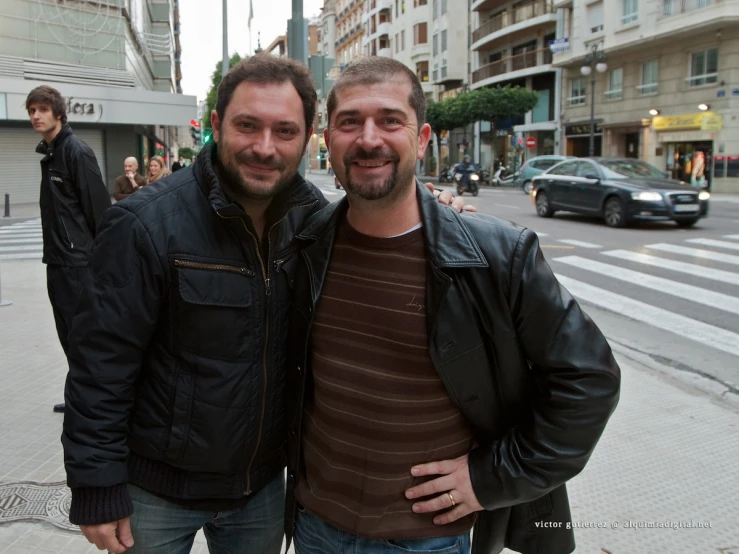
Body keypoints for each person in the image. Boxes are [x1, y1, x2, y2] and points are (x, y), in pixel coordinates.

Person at [61, 54, 464, 554]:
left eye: (285, 131)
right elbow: (100, 367)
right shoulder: (144, 224)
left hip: (262, 491)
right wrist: (96, 485)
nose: (264, 148)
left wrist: (439, 211)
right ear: (216, 125)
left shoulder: (316, 223)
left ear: (308, 135)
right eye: (247, 126)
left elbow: (390, 214)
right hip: (156, 492)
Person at [284, 57, 621, 554]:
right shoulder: (306, 245)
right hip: (315, 528)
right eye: (350, 121)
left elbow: (589, 380)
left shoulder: (495, 255)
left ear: (420, 139)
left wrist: (490, 479)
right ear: (328, 139)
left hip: (427, 541)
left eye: (389, 120)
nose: (369, 138)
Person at [26, 85, 111, 414]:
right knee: (69, 335)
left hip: (78, 263)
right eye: (32, 110)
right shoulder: (50, 154)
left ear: (58, 113)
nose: (36, 116)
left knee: (84, 336)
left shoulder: (76, 151)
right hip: (58, 262)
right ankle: (80, 398)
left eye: (42, 110)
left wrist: (101, 264)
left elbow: (100, 212)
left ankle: (97, 403)